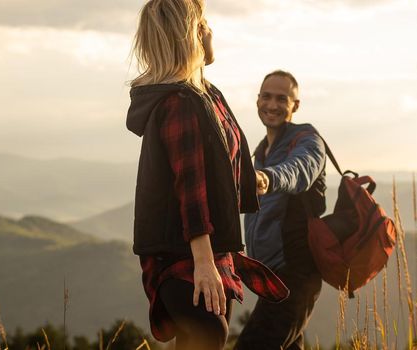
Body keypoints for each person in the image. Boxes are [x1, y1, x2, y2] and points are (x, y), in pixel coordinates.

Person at [126, 1, 288, 349]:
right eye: (205, 23)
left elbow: (216, 162)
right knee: (210, 334)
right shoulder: (181, 102)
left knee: (203, 338)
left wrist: (251, 180)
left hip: (211, 247)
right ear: (193, 34)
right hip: (184, 251)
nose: (211, 30)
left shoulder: (206, 93)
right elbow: (190, 184)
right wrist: (203, 264)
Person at [235, 70, 328, 350]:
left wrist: (268, 178)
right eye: (266, 96)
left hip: (296, 275)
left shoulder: (308, 141)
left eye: (281, 98)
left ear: (295, 105)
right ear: (257, 100)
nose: (272, 105)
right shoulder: (260, 152)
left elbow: (299, 171)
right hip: (271, 278)